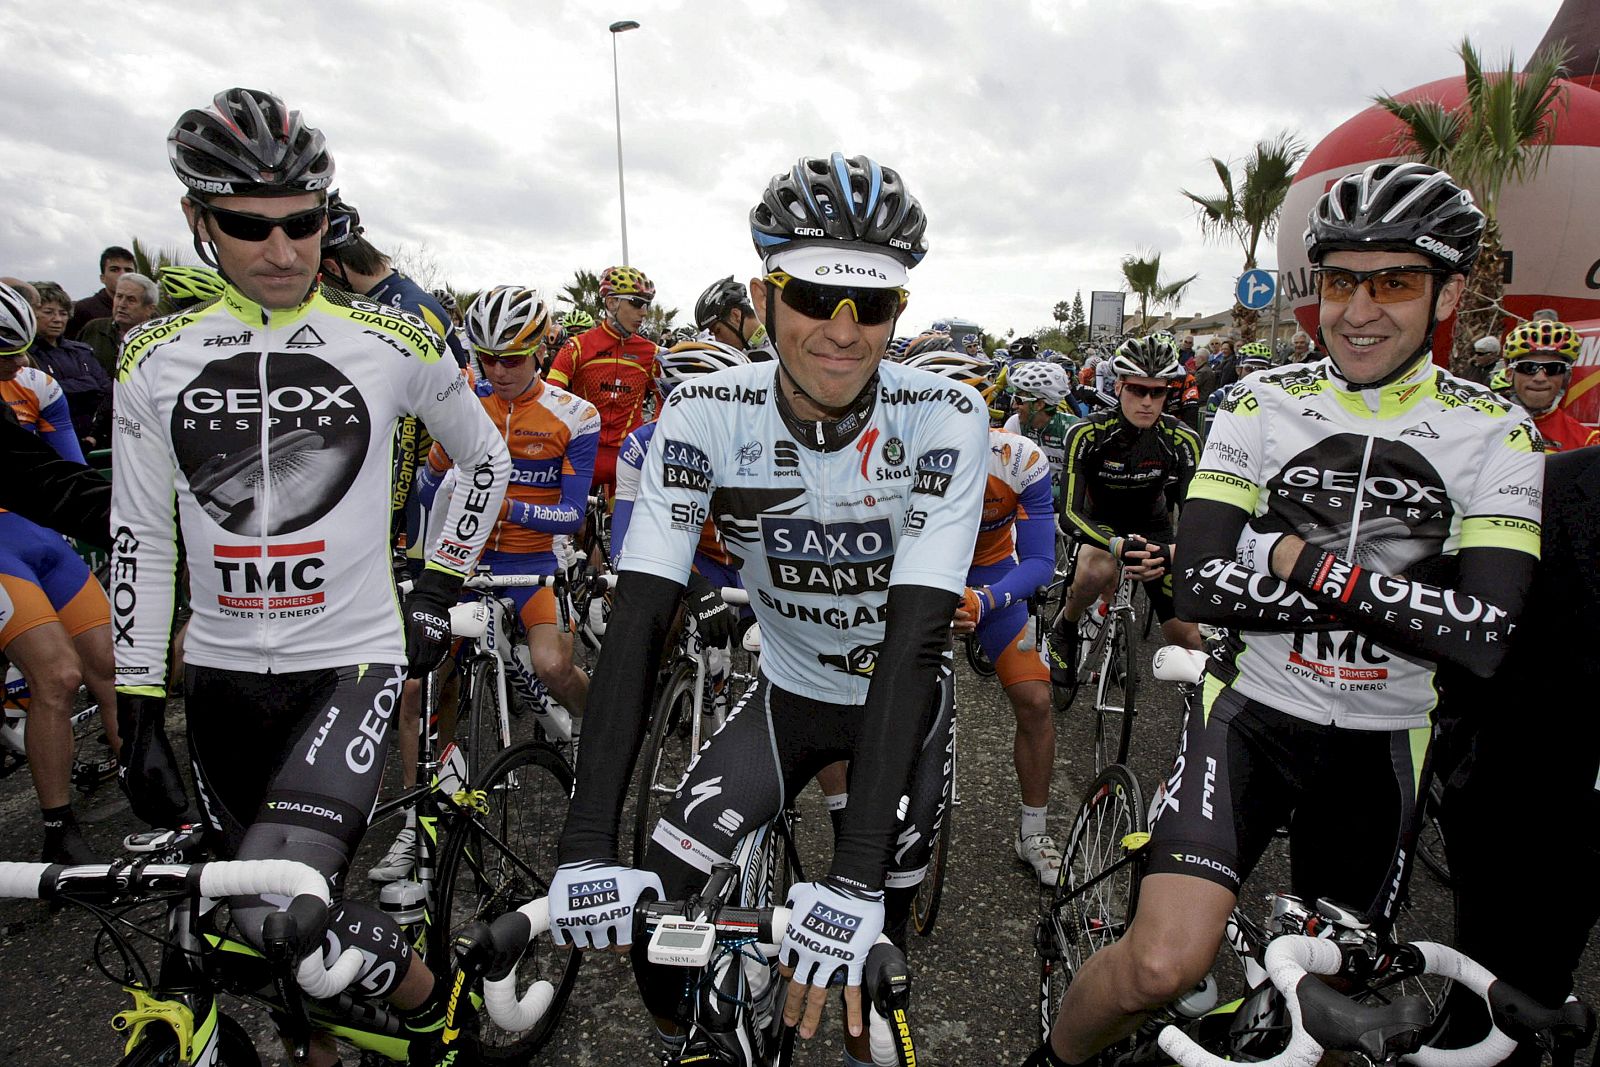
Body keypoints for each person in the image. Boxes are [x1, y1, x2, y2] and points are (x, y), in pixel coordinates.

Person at [1027, 162, 1545, 1067]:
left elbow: (1483, 637)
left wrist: (1302, 560)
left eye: (1394, 281)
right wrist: (1405, 601)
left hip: (1382, 749)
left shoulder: (1496, 430)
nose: (1360, 308)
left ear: (1450, 290)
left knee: (1328, 1014)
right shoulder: (1262, 404)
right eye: (1342, 280)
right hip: (1248, 721)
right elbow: (1202, 589)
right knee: (1158, 964)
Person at [550, 152, 986, 1064]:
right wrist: (588, 846)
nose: (840, 331)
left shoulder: (943, 413)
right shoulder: (707, 410)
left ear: (899, 309)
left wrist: (858, 878)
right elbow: (639, 618)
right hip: (785, 698)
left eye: (869, 305)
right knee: (655, 931)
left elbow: (914, 642)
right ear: (764, 292)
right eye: (812, 295)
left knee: (870, 990)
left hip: (897, 710)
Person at [112, 87, 510, 1067]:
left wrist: (433, 582)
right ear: (197, 220)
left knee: (277, 905)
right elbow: (139, 534)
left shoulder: (394, 337)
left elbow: (486, 460)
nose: (283, 249)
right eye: (249, 227)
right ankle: (316, 1050)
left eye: (306, 222)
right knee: (244, 911)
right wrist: (133, 706)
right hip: (219, 678)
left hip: (351, 665)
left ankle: (437, 1009)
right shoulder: (153, 356)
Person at [372, 285, 599, 884]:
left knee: (551, 665)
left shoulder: (575, 415)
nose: (497, 371)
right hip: (461, 565)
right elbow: (430, 479)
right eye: (487, 357)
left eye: (512, 358)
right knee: (421, 688)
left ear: (540, 351)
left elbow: (571, 516)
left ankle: (593, 732)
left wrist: (503, 506)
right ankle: (416, 819)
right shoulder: (463, 401)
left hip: (531, 568)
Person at [1435, 445, 1599, 1067]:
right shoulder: (1546, 484)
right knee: (1497, 1002)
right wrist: (1462, 754)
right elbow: (1464, 622)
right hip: (1526, 798)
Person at [909, 350, 1060, 883]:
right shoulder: (885, 457)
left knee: (1036, 698)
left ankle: (1033, 830)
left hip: (990, 577)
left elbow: (1043, 560)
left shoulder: (1020, 460)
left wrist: (986, 600)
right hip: (910, 575)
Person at [0, 280, 119, 863]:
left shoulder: (34, 385)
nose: (20, 364)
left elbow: (68, 472)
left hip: (40, 536)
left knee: (111, 666)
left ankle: (148, 785)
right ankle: (57, 820)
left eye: (21, 350)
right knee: (57, 676)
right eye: (5, 357)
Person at [1046, 334, 1204, 692]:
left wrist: (1169, 553)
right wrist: (1117, 546)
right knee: (1094, 570)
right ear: (1118, 387)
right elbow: (1070, 513)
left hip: (1154, 530)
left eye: (1158, 392)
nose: (1147, 402)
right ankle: (1066, 627)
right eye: (1137, 390)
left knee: (1190, 640)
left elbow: (1196, 517)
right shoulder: (1087, 433)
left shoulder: (1182, 439)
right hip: (1101, 526)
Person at [547, 266, 661, 495]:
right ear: (611, 303)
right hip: (584, 451)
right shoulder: (577, 346)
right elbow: (549, 396)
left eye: (646, 305)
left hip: (629, 456)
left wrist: (653, 431)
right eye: (637, 303)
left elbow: (667, 400)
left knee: (623, 527)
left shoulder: (651, 352)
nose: (644, 313)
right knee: (573, 525)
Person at [28, 283, 112, 453]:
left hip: (95, 441)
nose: (58, 319)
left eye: (63, 313)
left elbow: (107, 391)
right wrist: (87, 385)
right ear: (32, 314)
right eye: (48, 312)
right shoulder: (25, 356)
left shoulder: (82, 351)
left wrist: (94, 434)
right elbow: (43, 396)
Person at [1500, 319, 1598, 452]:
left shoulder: (1587, 442)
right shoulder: (1478, 421)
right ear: (1509, 374)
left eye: (1554, 368)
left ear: (1566, 376)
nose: (1540, 378)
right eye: (1529, 367)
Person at [1002, 359, 1077, 501]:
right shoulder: (1015, 423)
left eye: (1019, 400)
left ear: (1039, 404)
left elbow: (1082, 484)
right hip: (1029, 503)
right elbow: (1006, 474)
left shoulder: (1071, 429)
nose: (1013, 406)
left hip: (1063, 506)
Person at [79, 271, 160, 374]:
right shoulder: (94, 329)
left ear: (149, 309)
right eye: (119, 296)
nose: (121, 304)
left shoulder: (161, 340)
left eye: (131, 300)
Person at [694, 274, 773, 358]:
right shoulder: (747, 352)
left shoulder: (780, 342)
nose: (718, 340)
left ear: (736, 315)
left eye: (717, 331)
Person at [66, 246, 135, 338]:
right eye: (114, 270)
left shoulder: (147, 310)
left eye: (128, 270)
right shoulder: (85, 309)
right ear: (102, 278)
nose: (123, 275)